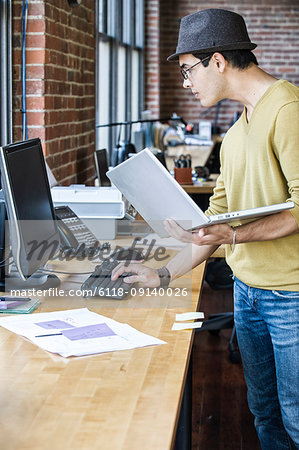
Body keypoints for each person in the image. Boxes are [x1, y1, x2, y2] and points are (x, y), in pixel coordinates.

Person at [111, 8, 299, 449]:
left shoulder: (287, 109)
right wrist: (159, 274)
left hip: (290, 296)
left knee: (295, 421)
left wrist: (233, 236)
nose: (187, 83)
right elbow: (210, 225)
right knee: (264, 414)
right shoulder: (236, 132)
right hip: (247, 292)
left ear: (218, 61)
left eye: (188, 70)